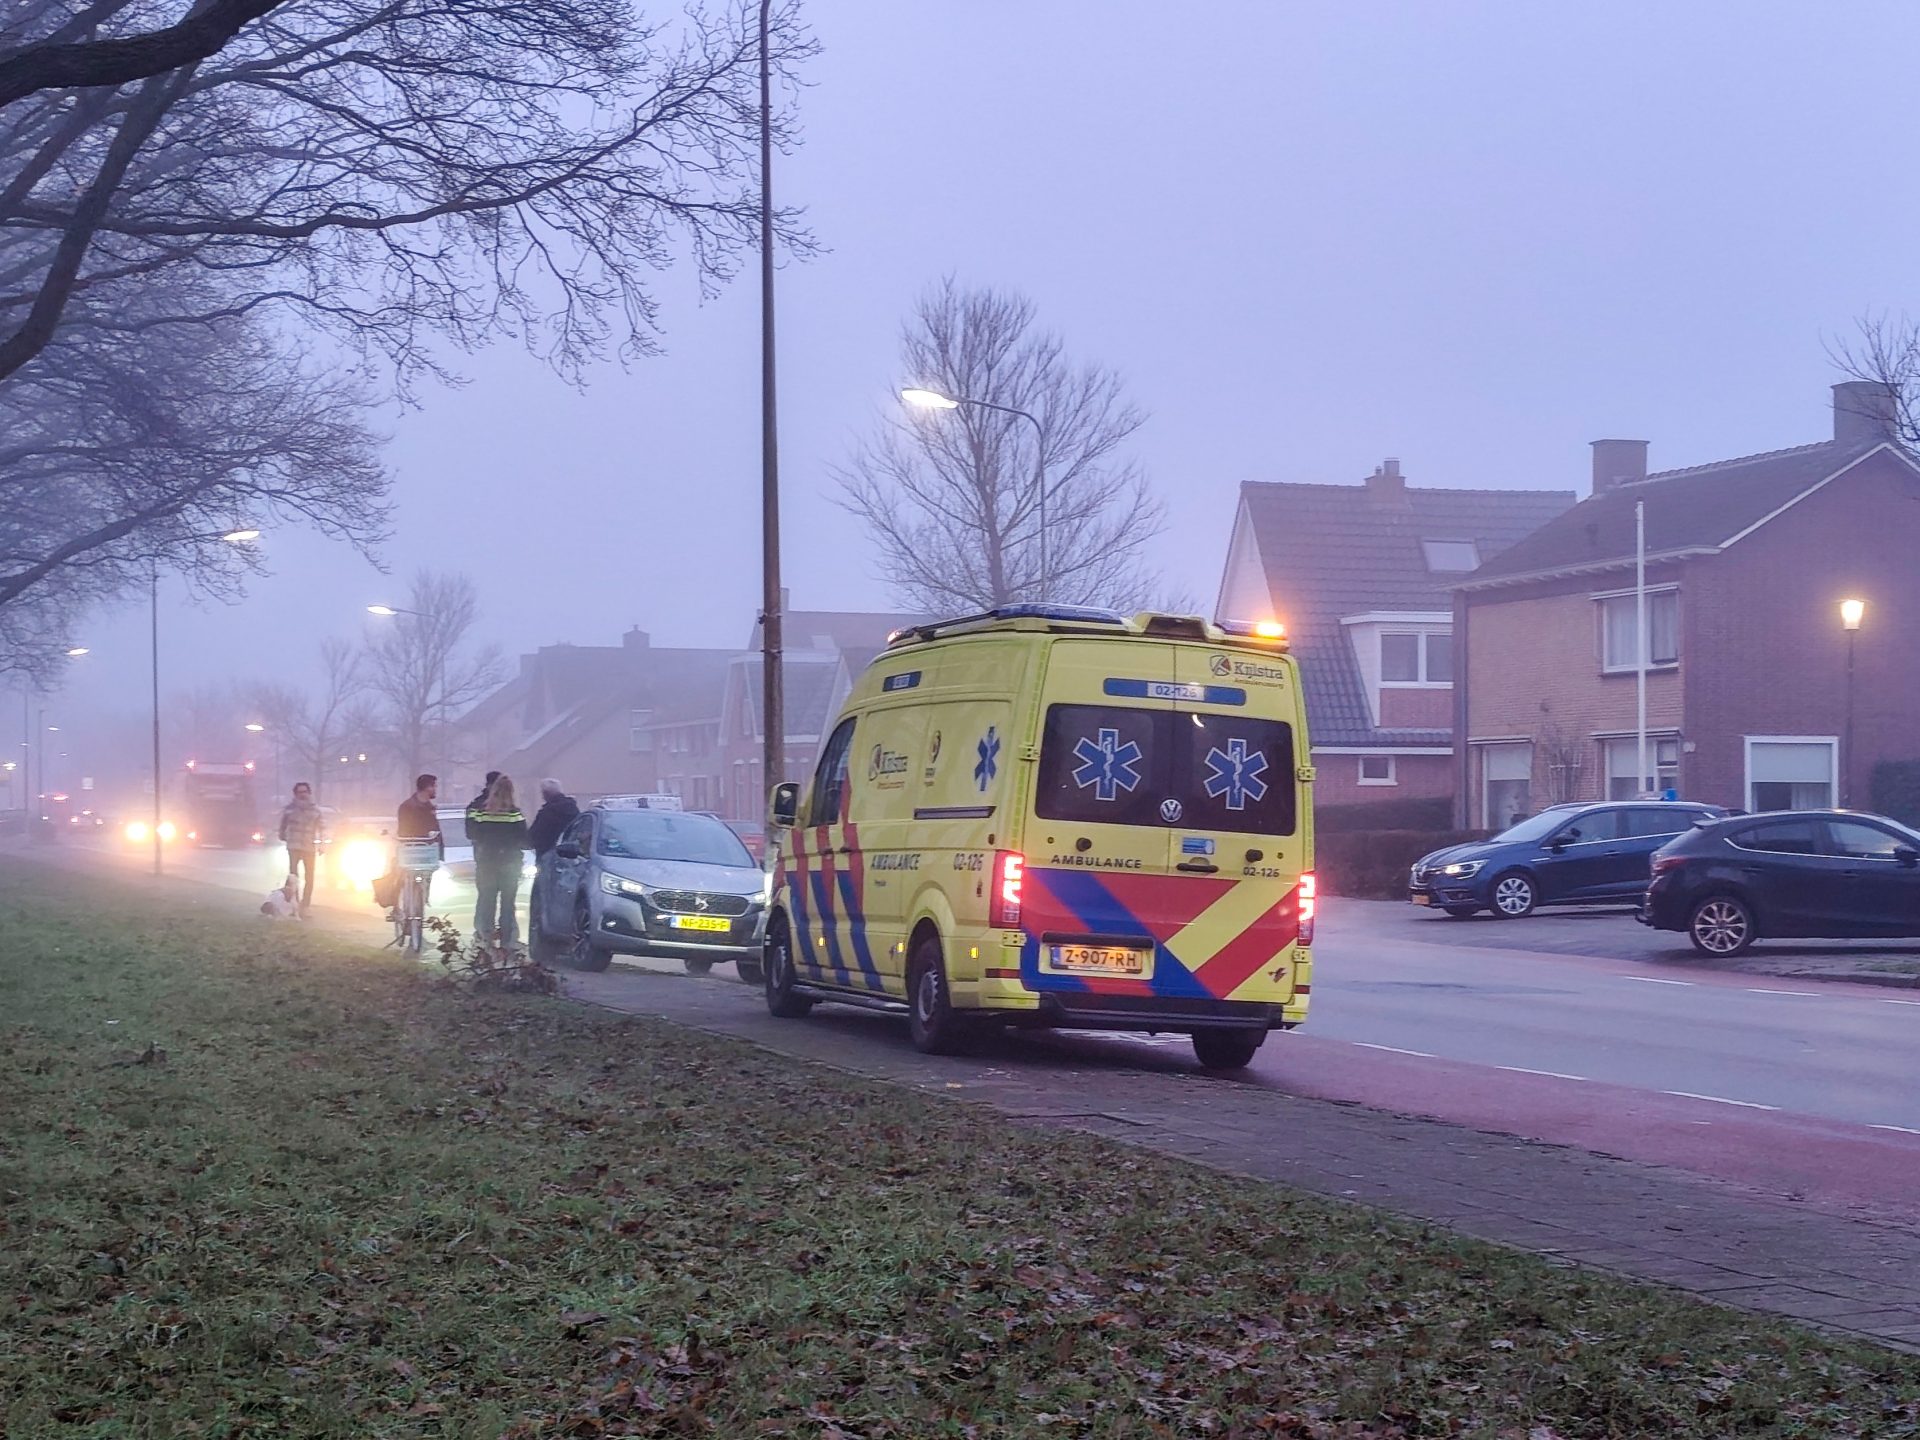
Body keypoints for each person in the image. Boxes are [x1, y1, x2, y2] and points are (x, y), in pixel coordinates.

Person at [468, 773, 530, 950]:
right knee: (508, 902)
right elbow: (524, 839)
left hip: (487, 862)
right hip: (510, 863)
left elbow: (475, 834)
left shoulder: (482, 812)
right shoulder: (514, 813)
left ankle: (485, 937)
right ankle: (508, 940)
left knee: (487, 899)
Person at [277, 781, 328, 918]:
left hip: (308, 847)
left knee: (309, 877)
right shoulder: (289, 809)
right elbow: (283, 825)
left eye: (305, 792)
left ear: (309, 793)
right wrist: (282, 835)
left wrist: (322, 844)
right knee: (293, 878)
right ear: (295, 794)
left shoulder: (315, 810)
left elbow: (322, 827)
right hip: (293, 847)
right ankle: (294, 904)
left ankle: (305, 906)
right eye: (300, 792)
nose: (303, 794)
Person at [527, 778, 580, 860]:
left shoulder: (547, 813)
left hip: (548, 856)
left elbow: (536, 834)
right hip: (572, 857)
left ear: (546, 793)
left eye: (543, 793)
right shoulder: (573, 809)